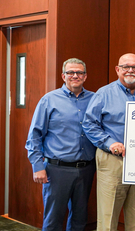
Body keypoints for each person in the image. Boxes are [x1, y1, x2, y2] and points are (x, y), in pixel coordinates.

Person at [83, 53, 135, 231]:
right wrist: (109, 142)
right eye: (125, 67)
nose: (130, 70)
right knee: (108, 218)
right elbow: (89, 123)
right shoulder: (104, 93)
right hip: (112, 159)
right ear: (117, 70)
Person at [25, 58, 95, 231]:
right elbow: (34, 136)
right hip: (57, 171)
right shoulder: (49, 100)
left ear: (85, 76)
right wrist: (37, 166)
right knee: (53, 220)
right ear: (63, 76)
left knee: (80, 218)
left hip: (86, 169)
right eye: (70, 72)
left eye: (79, 72)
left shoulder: (95, 99)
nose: (75, 76)